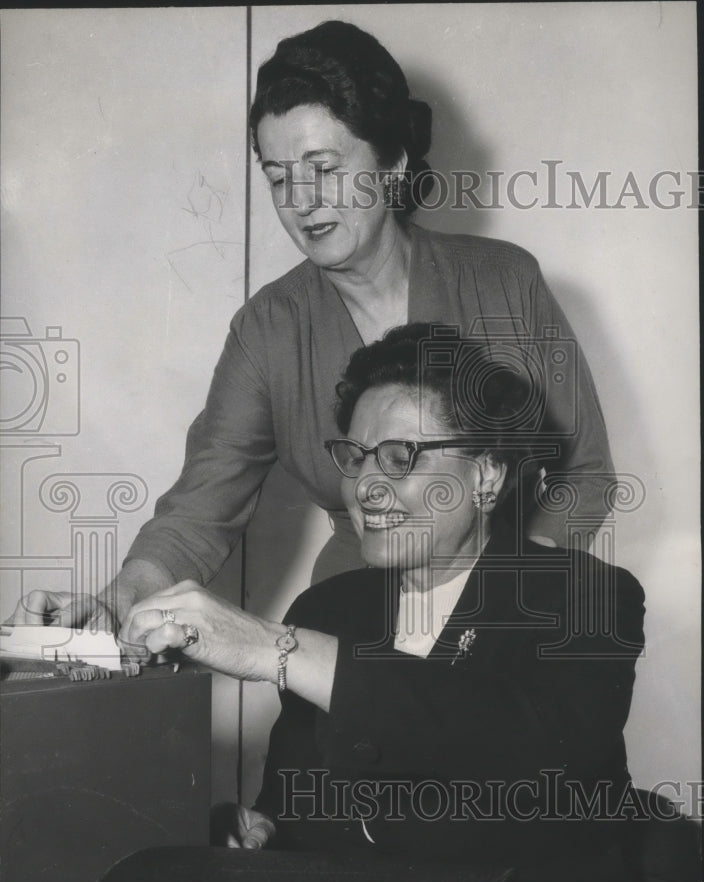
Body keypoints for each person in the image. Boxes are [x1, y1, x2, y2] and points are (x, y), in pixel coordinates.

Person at [121, 324, 667, 882]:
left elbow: (524, 756)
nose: (367, 486)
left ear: (487, 475)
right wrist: (260, 835)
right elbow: (295, 809)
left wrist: (274, 650)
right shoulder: (329, 610)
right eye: (355, 456)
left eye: (401, 456)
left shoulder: (584, 597)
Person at [12, 20, 614, 632]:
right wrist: (116, 601)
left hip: (511, 611)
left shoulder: (505, 281)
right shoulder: (269, 329)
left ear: (392, 163)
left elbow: (584, 474)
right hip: (355, 619)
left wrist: (505, 599)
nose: (301, 200)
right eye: (278, 177)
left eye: (322, 168)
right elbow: (200, 508)